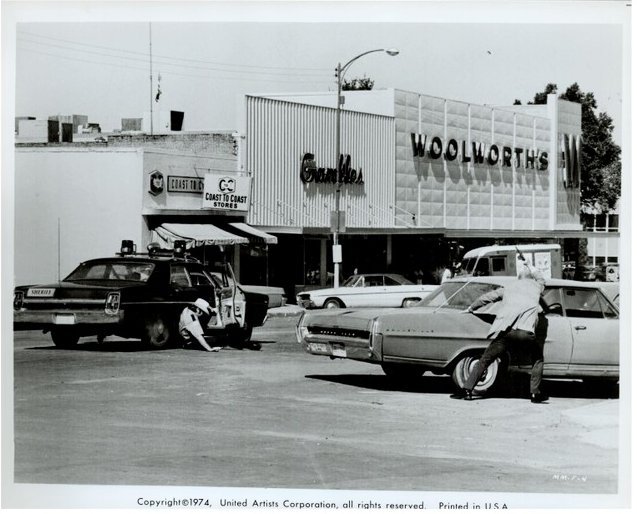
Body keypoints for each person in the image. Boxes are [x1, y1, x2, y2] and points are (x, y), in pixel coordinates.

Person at [454, 253, 549, 403]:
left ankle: (467, 390)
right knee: (537, 359)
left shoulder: (509, 287)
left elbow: (487, 297)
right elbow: (541, 278)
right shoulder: (536, 287)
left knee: (486, 359)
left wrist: (471, 308)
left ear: (518, 278)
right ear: (531, 278)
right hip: (526, 333)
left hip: (507, 332)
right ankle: (534, 394)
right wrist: (530, 265)